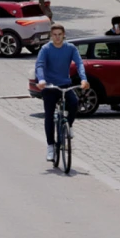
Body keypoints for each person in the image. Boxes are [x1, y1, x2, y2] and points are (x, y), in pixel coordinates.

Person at [35, 24, 89, 162]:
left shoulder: (70, 48)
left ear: (64, 34)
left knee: (74, 103)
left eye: (60, 34)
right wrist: (41, 79)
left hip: (65, 84)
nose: (57, 37)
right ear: (51, 35)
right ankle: (50, 147)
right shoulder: (46, 49)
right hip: (50, 86)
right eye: (55, 35)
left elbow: (79, 63)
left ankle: (68, 125)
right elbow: (40, 64)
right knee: (49, 115)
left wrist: (84, 79)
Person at [102, 16, 120, 111]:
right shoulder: (108, 34)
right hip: (112, 62)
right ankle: (114, 103)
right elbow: (113, 46)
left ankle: (116, 103)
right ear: (116, 24)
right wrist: (117, 34)